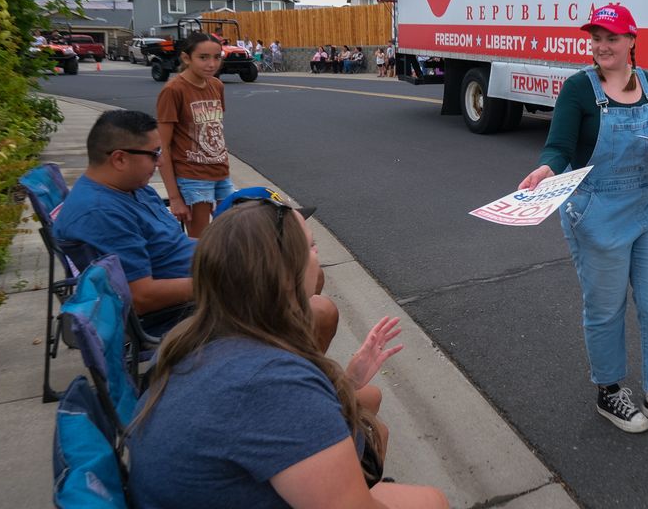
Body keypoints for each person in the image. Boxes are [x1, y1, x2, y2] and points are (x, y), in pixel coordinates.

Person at [128, 197, 448, 509]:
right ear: (282, 277)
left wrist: (348, 380)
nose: (317, 254)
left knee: (372, 409)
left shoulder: (192, 336)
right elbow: (276, 405)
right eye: (309, 246)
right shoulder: (271, 383)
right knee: (432, 500)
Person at [518, 3, 648, 438]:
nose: (602, 46)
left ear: (632, 41)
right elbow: (559, 147)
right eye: (596, 38)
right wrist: (546, 170)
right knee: (606, 309)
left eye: (612, 38)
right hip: (598, 212)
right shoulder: (579, 89)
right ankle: (610, 390)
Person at [52, 110, 338, 343]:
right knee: (319, 307)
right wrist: (225, 281)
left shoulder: (130, 188)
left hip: (205, 275)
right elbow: (141, 297)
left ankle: (293, 353)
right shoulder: (100, 213)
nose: (161, 161)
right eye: (153, 154)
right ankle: (292, 370)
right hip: (184, 308)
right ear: (119, 158)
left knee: (302, 263)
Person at [156, 31, 233, 238]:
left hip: (221, 172)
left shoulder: (217, 85)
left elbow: (213, 127)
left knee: (228, 234)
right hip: (192, 177)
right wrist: (174, 197)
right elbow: (163, 145)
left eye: (217, 57)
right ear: (186, 58)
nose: (212, 64)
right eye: (203, 57)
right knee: (200, 241)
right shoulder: (173, 90)